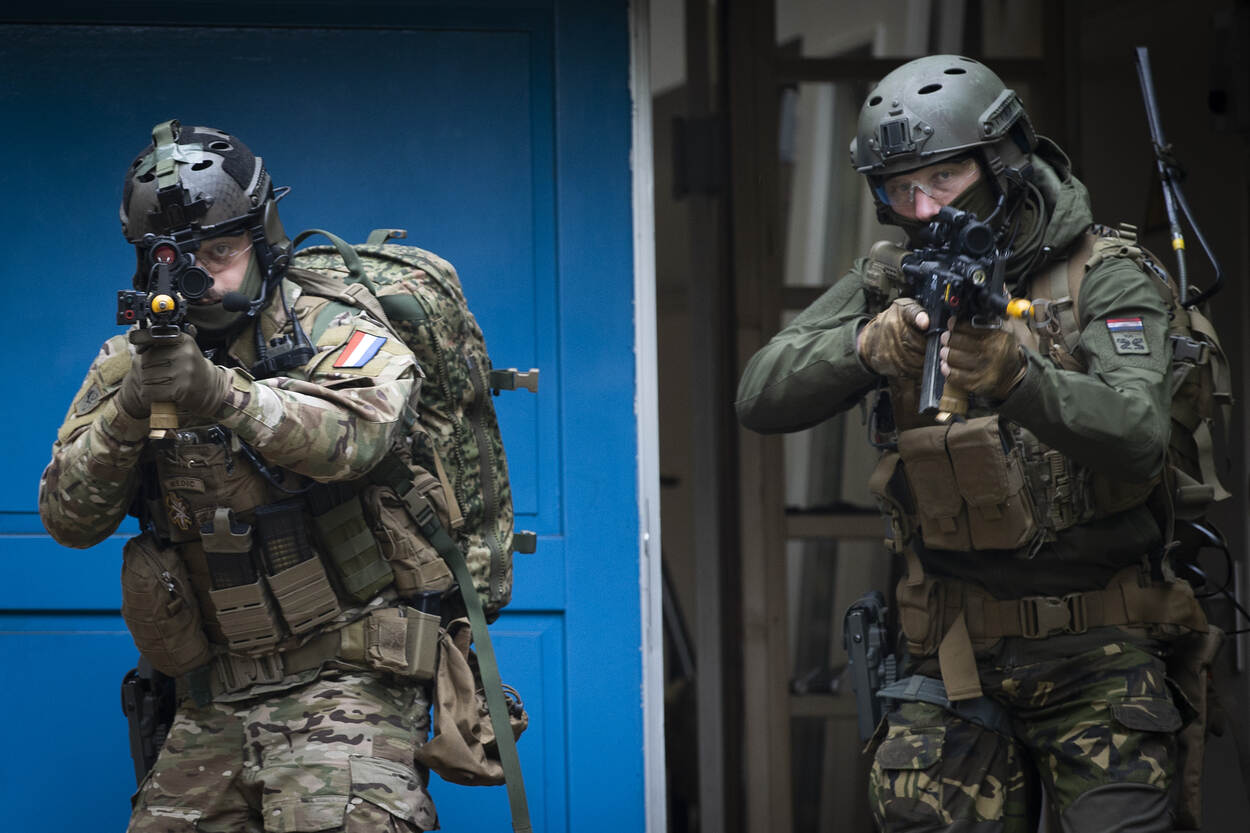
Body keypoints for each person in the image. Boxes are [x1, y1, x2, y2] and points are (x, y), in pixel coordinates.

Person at [736, 56, 1210, 833]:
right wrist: (864, 346)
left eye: (945, 177)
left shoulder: (1104, 275)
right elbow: (758, 394)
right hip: (951, 654)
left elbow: (1137, 437)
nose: (923, 207)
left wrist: (1017, 376)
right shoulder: (893, 278)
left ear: (1003, 162)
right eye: (900, 188)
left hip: (1098, 650)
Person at [39, 120, 439, 832]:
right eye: (176, 259)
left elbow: (359, 436)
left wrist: (222, 394)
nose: (201, 278)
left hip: (346, 679)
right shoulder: (131, 361)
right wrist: (130, 409)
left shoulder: (327, 320)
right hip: (211, 698)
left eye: (221, 253)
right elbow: (69, 520)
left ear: (263, 239)